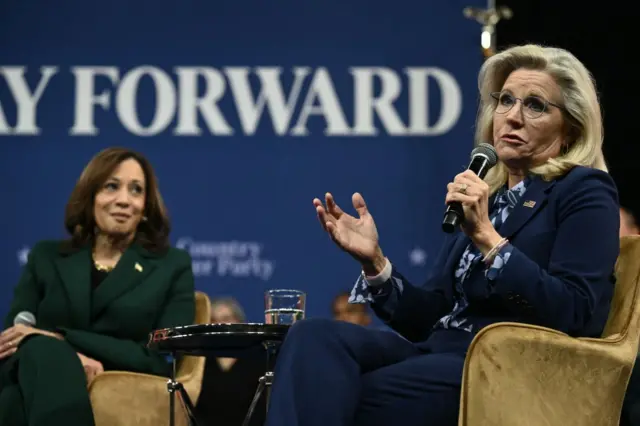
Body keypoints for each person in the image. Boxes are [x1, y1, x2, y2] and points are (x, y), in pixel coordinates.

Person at [263, 44, 620, 426]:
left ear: (570, 128)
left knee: (344, 394)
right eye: (506, 101)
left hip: (504, 370)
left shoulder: (584, 190)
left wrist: (487, 238)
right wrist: (376, 264)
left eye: (535, 105)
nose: (512, 117)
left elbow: (576, 312)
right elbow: (432, 315)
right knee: (311, 338)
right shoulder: (489, 195)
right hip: (438, 352)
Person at [0, 147, 196, 426]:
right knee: (32, 355)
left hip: (121, 384)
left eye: (136, 190)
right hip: (37, 370)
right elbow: (14, 340)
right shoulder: (46, 257)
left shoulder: (171, 266)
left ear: (145, 208)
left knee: (13, 398)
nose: (124, 200)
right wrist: (68, 360)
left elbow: (161, 358)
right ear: (90, 196)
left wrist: (61, 341)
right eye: (111, 186)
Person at [195, 297, 267, 426]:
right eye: (213, 320)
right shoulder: (198, 362)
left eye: (226, 319)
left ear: (239, 322)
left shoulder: (259, 360)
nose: (219, 325)